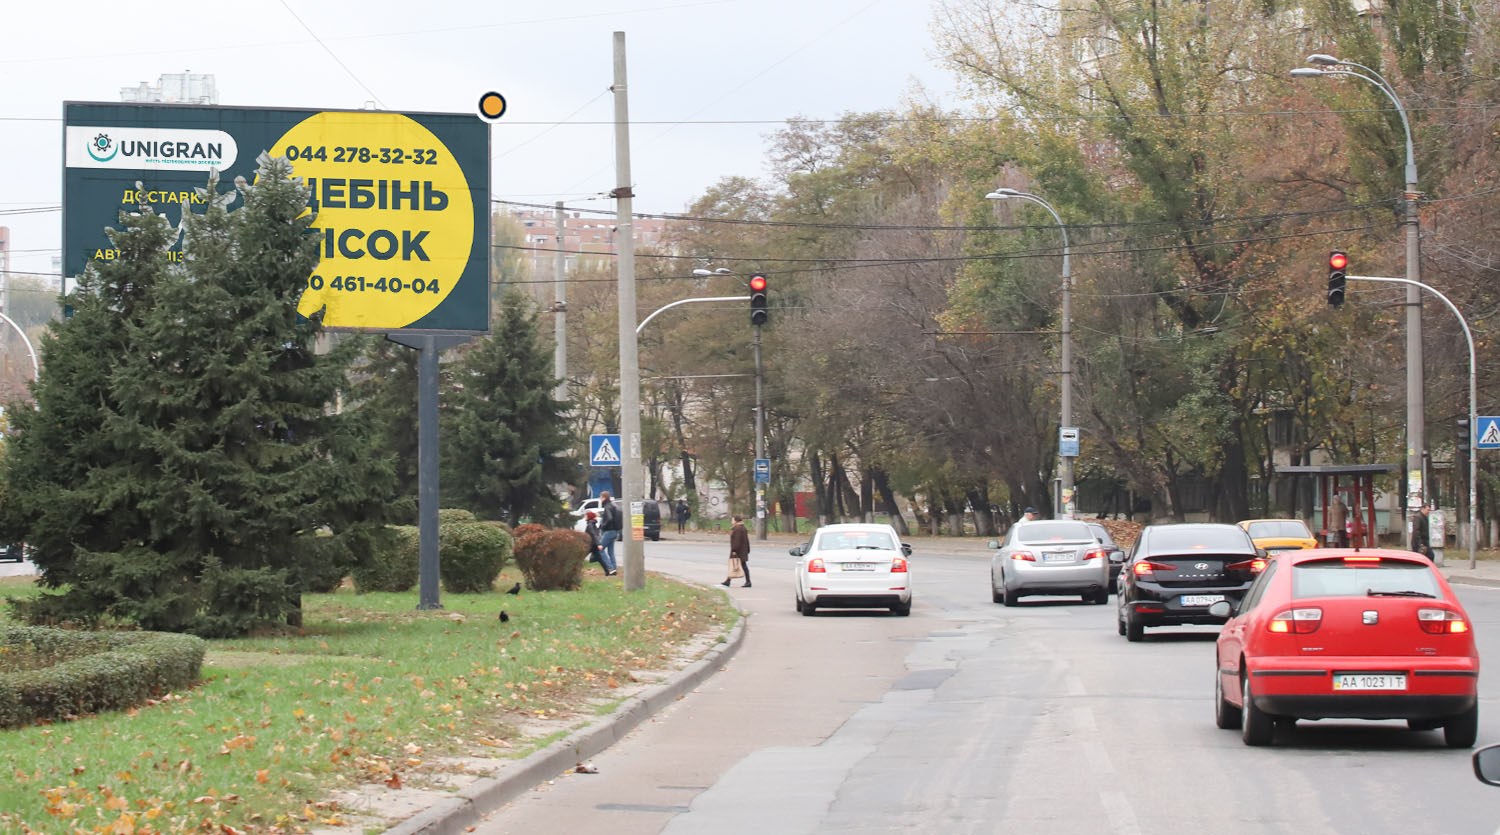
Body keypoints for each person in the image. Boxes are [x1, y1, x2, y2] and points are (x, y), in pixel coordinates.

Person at [722, 515, 751, 588]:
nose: (731, 521)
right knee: (739, 565)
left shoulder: (737, 529)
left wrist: (734, 550)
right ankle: (728, 580)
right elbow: (746, 540)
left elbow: (737, 541)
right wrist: (747, 549)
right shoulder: (742, 527)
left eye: (732, 520)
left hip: (738, 550)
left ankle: (748, 582)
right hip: (742, 550)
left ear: (736, 521)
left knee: (736, 565)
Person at [597, 492, 621, 576]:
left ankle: (610, 568)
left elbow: (609, 518)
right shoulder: (613, 505)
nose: (600, 499)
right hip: (615, 531)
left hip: (609, 531)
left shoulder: (607, 506)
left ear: (604, 497)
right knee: (611, 551)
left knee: (600, 549)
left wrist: (603, 525)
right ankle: (614, 569)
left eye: (600, 497)